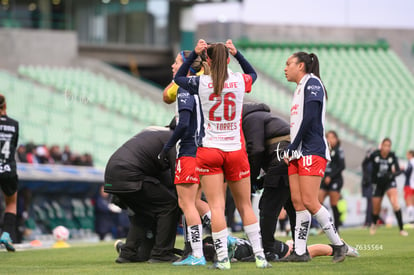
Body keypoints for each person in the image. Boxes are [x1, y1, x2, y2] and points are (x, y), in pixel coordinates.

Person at [174, 39, 271, 269]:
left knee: (216, 207)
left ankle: (223, 260)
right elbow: (252, 74)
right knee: (245, 206)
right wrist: (238, 54)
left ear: (207, 60)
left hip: (209, 150)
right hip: (235, 150)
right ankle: (260, 257)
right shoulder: (239, 80)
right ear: (227, 59)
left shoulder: (202, 83)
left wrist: (192, 54)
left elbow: (178, 79)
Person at [282, 52, 347, 263]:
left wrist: (293, 145)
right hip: (297, 152)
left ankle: (338, 244)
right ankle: (300, 252)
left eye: (288, 64)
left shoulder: (313, 83)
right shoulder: (300, 87)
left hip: (311, 149)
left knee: (310, 201)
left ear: (301, 65)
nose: (285, 68)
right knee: (297, 202)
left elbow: (310, 118)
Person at [158, 50, 210, 266]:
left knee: (186, 203)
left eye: (176, 62)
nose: (172, 66)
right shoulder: (205, 87)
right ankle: (220, 243)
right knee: (197, 202)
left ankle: (197, 254)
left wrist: (167, 147)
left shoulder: (186, 88)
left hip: (189, 151)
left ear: (186, 66)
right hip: (207, 150)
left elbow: (184, 124)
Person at [104, 126, 180, 263]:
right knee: (170, 205)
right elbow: (178, 177)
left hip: (112, 176)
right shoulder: (173, 139)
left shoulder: (157, 135)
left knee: (143, 213)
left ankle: (128, 253)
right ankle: (161, 254)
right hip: (130, 175)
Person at [241, 102, 296, 262]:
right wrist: (259, 180)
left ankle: (266, 250)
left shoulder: (251, 118)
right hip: (289, 157)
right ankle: (300, 250)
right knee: (293, 207)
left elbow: (256, 149)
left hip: (280, 156)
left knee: (268, 206)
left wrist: (250, 178)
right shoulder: (264, 117)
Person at [202, 235, 359, 263]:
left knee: (310, 251)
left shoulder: (234, 250)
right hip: (262, 244)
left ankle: (341, 247)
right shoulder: (223, 240)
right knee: (296, 248)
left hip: (267, 248)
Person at [367, 138, 408, 236]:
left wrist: (391, 175)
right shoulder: (375, 155)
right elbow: (367, 164)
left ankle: (401, 229)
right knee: (376, 208)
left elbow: (398, 170)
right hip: (377, 183)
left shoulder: (392, 156)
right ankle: (374, 224)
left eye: (388, 146)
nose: (387, 148)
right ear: (381, 146)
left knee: (395, 203)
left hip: (389, 182)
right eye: (385, 145)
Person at [0, 94, 19, 252]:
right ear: (5, 106)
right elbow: (14, 146)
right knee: (11, 203)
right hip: (8, 169)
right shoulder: (14, 124)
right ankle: (6, 234)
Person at [318, 130, 346, 232]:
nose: (330, 139)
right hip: (325, 179)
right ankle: (324, 225)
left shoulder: (339, 150)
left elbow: (342, 166)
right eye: (328, 137)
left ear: (336, 139)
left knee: (333, 204)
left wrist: (330, 176)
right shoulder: (324, 149)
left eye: (332, 137)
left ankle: (336, 228)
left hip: (335, 180)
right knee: (317, 202)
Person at [361, 148, 375, 226]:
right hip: (368, 185)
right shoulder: (367, 163)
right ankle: (369, 221)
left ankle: (370, 221)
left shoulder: (370, 163)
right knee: (370, 203)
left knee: (371, 203)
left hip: (370, 185)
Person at [404, 150, 414, 223]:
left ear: (411, 155)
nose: (407, 156)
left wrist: (402, 170)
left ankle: (411, 221)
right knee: (412, 203)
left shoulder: (410, 162)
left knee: (408, 202)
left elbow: (407, 173)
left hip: (409, 184)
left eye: (407, 154)